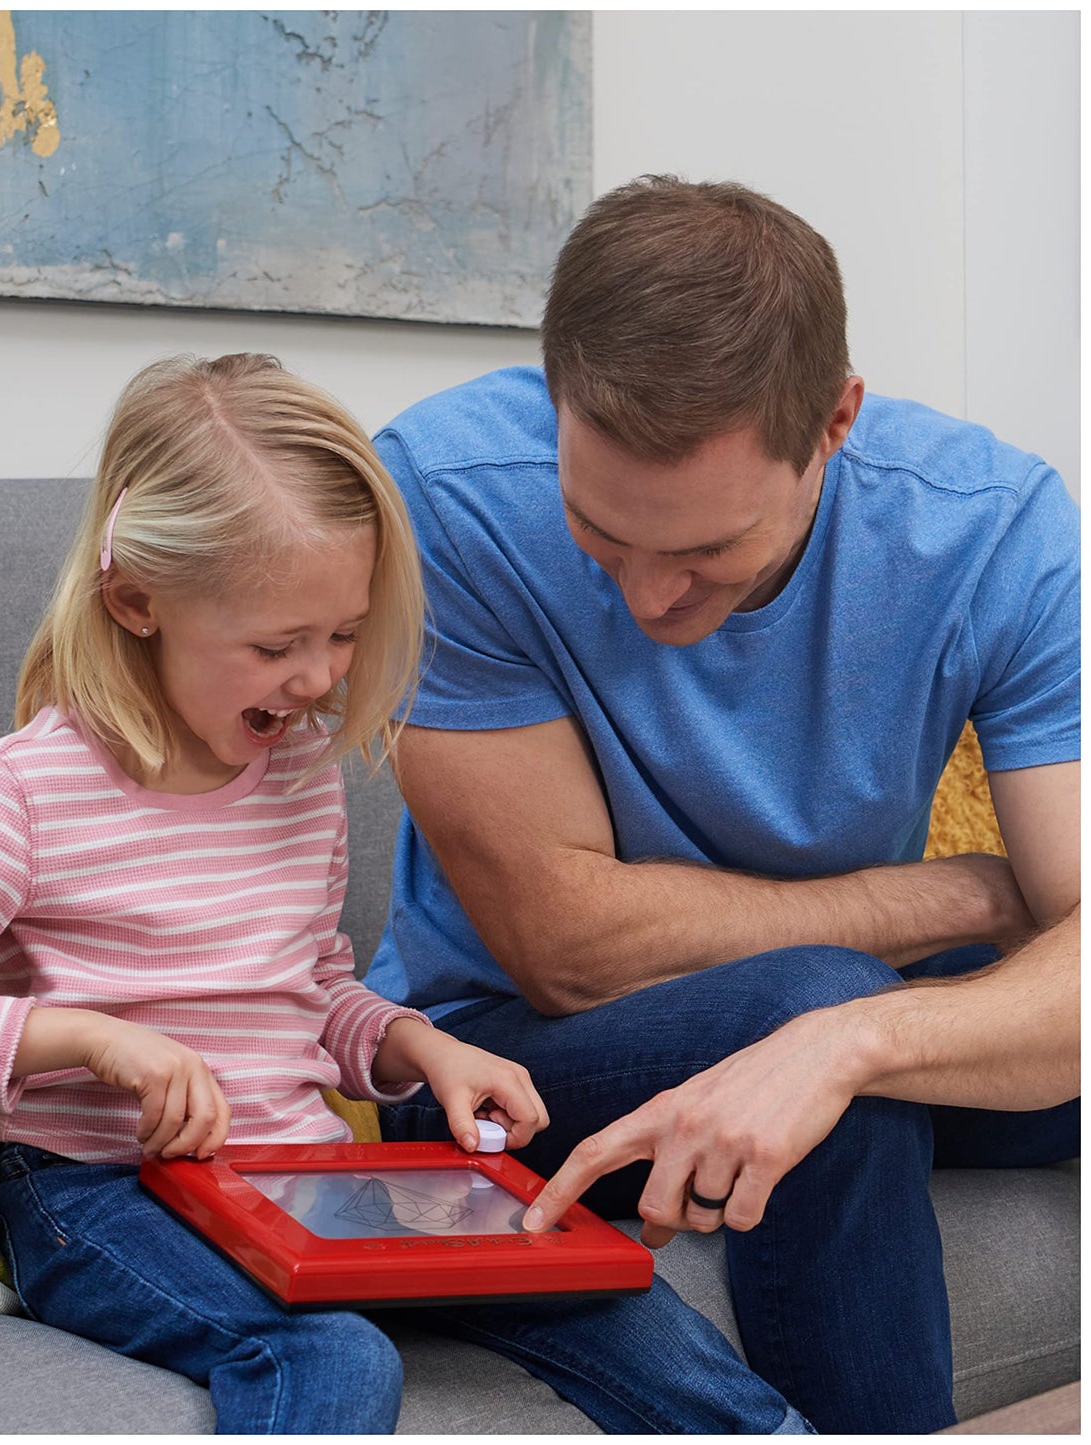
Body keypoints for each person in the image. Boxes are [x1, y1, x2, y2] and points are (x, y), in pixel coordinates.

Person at [0, 353, 813, 1435]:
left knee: (602, 1287)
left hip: (298, 1172)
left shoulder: (298, 773)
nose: (320, 676)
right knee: (326, 1350)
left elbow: (310, 993)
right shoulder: (27, 790)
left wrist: (421, 1049)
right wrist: (91, 1038)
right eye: (277, 644)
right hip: (94, 1186)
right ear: (134, 600)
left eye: (343, 633)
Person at [364, 177, 1080, 1434]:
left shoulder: (992, 529)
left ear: (835, 421)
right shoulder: (445, 496)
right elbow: (565, 950)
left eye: (705, 552)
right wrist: (955, 897)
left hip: (834, 1002)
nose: (647, 598)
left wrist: (852, 1042)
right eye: (597, 532)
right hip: (496, 1065)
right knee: (823, 1009)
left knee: (849, 1031)